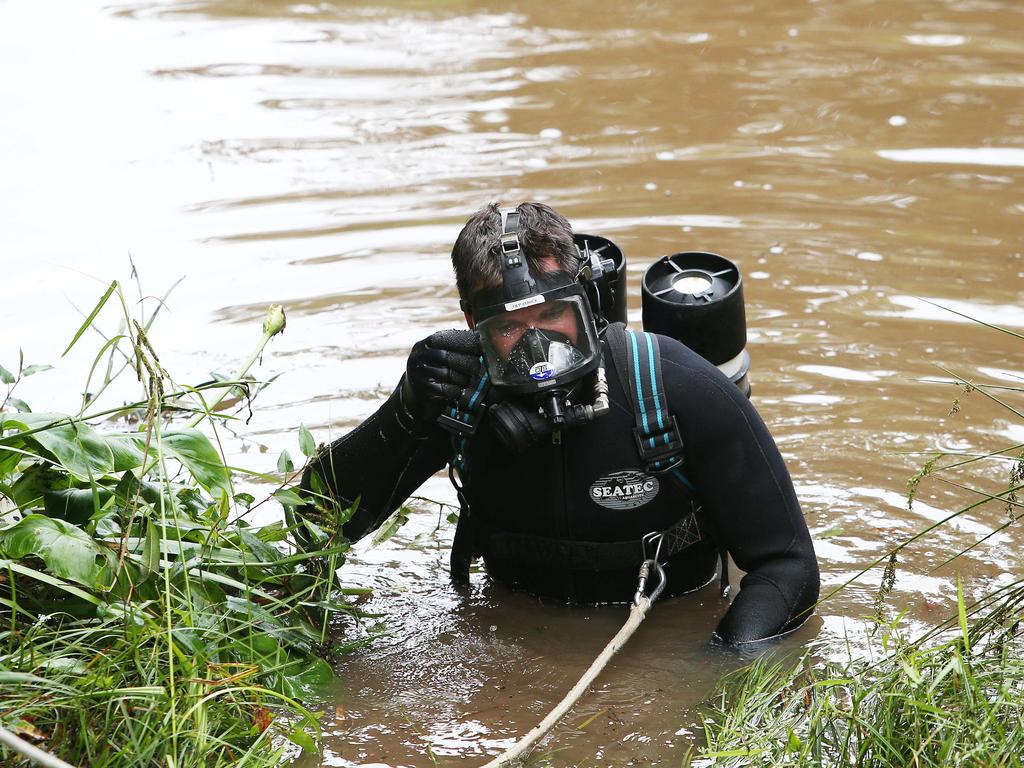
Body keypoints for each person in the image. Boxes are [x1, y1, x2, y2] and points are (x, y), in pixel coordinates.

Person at [300, 202, 819, 644]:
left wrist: (716, 671)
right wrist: (406, 409)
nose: (537, 346)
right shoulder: (458, 392)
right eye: (508, 328)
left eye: (552, 316)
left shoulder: (674, 385)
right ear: (470, 323)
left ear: (585, 300)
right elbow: (315, 522)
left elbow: (788, 566)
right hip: (512, 633)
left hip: (672, 616)